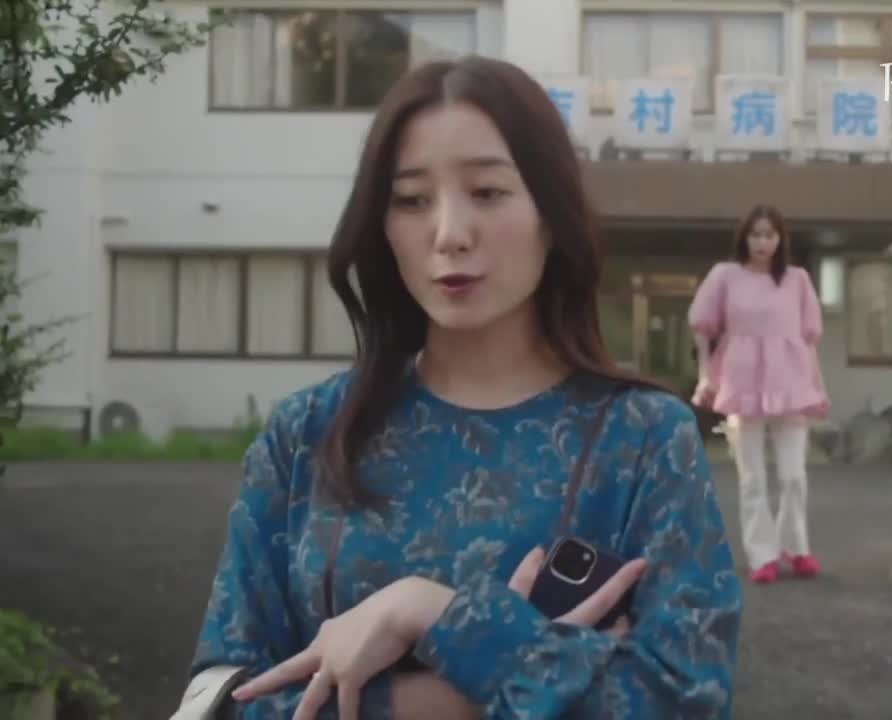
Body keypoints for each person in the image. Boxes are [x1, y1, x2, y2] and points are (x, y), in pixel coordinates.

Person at [186, 56, 742, 719]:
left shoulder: (644, 439)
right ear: (382, 226)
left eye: (487, 192)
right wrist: (472, 685)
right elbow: (217, 702)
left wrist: (428, 611)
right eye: (411, 200)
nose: (449, 234)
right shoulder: (307, 434)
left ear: (551, 213)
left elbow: (684, 701)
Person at [687, 205, 829, 586]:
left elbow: (809, 340)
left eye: (770, 235)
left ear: (780, 239)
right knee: (752, 478)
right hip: (742, 380)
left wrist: (817, 386)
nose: (762, 242)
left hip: (792, 381)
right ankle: (761, 555)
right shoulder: (725, 275)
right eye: (756, 234)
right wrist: (706, 376)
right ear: (744, 238)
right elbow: (703, 328)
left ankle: (794, 547)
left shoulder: (797, 279)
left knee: (794, 475)